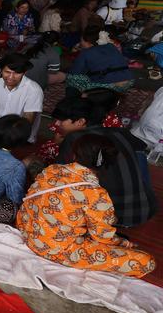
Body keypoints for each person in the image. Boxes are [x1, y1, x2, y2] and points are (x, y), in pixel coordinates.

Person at [16, 134, 156, 278]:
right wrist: (123, 242)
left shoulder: (52, 169)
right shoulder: (96, 193)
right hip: (56, 249)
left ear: (75, 154)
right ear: (107, 162)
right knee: (146, 262)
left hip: (28, 232)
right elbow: (102, 237)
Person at [51, 96, 156, 227]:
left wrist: (58, 145)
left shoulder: (74, 138)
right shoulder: (120, 132)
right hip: (145, 210)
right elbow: (141, 146)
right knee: (138, 154)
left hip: (111, 217)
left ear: (80, 121)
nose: (57, 124)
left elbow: (57, 176)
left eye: (61, 121)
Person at [0, 53, 44, 142]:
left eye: (16, 73)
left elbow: (24, 125)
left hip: (18, 136)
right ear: (1, 70)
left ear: (24, 73)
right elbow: (0, 110)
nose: (11, 77)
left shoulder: (34, 90)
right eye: (7, 72)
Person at [66, 26, 133, 94]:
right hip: (128, 82)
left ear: (89, 42)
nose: (80, 43)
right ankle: (116, 93)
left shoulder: (86, 52)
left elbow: (75, 72)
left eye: (81, 41)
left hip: (109, 86)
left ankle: (85, 95)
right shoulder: (111, 46)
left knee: (71, 78)